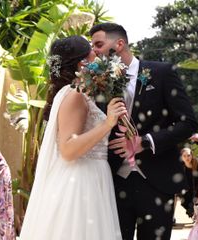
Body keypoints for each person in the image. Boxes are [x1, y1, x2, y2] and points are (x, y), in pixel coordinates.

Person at [90, 23, 198, 240]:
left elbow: (188, 123)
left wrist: (145, 142)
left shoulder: (162, 73)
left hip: (158, 180)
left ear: (119, 44)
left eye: (99, 44)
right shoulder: (97, 82)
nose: (95, 51)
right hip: (114, 182)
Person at [19, 36, 125, 240]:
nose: (97, 53)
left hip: (89, 177)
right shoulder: (74, 95)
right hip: (80, 182)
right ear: (82, 62)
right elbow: (67, 149)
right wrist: (107, 123)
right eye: (92, 50)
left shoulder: (79, 92)